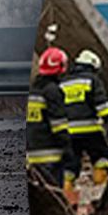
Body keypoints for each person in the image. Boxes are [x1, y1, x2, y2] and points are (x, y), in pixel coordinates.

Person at [59, 49, 108, 183]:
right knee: (101, 156)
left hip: (68, 131)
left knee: (70, 165)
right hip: (90, 129)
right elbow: (101, 103)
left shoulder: (63, 82)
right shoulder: (92, 80)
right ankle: (100, 186)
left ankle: (67, 194)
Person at [26, 47, 75, 188]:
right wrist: (68, 150)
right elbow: (59, 125)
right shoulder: (53, 91)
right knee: (53, 198)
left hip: (32, 156)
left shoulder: (32, 92)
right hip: (51, 157)